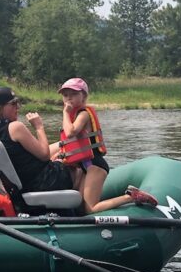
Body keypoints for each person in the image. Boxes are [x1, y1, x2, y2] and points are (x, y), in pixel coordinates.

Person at [55, 77, 157, 211]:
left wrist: (65, 112)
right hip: (86, 166)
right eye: (65, 95)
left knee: (90, 208)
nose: (69, 98)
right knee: (79, 206)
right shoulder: (73, 115)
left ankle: (132, 197)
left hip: (95, 165)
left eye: (74, 94)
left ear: (84, 96)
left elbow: (70, 132)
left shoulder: (83, 114)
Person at [0, 85, 77, 194]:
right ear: (0, 108)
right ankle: (82, 208)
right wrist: (39, 127)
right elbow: (45, 155)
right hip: (41, 182)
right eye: (13, 103)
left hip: (23, 182)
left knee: (64, 146)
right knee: (81, 167)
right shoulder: (16, 127)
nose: (18, 107)